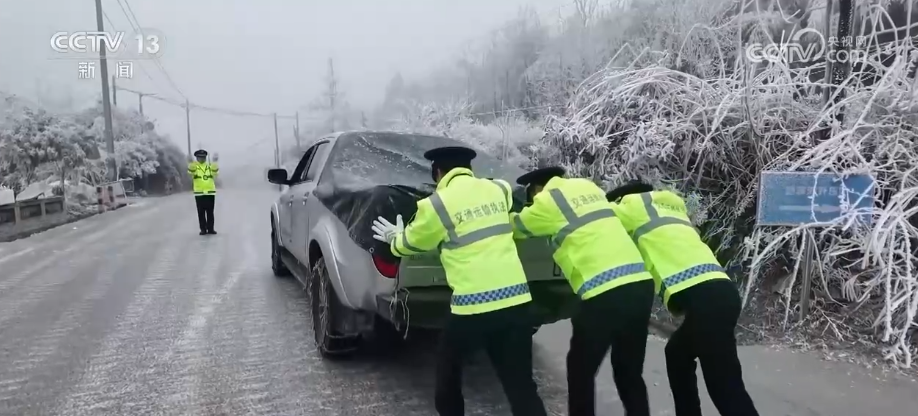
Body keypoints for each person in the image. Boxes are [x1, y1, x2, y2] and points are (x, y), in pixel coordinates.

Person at [371, 146, 547, 416]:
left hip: (472, 308)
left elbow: (411, 244)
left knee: (448, 376)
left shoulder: (436, 204)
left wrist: (395, 238)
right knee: (521, 385)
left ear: (438, 173)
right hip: (517, 302)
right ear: (469, 169)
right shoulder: (499, 189)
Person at [510, 167, 654, 416]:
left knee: (580, 370)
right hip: (640, 285)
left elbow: (516, 226)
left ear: (536, 189)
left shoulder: (547, 200)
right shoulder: (588, 187)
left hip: (604, 291)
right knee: (629, 371)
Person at [607, 181, 759, 416]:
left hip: (704, 299)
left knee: (724, 387)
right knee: (678, 354)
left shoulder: (633, 207)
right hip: (722, 292)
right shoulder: (672, 209)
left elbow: (595, 214)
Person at [188, 149, 218, 235]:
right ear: (197, 158)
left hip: (210, 192)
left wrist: (214, 162)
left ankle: (211, 228)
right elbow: (191, 172)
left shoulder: (209, 166)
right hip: (199, 193)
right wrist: (191, 162)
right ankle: (203, 229)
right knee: (201, 212)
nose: (201, 159)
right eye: (200, 157)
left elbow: (215, 173)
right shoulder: (195, 166)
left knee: (210, 212)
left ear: (205, 158)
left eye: (203, 157)